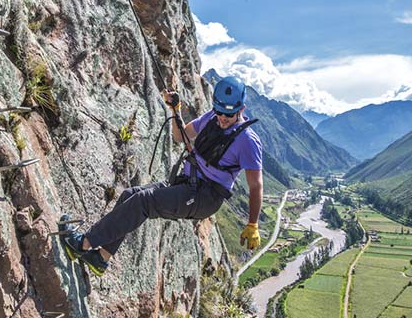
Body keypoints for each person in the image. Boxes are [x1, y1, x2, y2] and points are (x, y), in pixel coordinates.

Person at [60, 76, 264, 276]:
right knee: (129, 195)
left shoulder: (248, 141)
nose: (222, 118)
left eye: (228, 115)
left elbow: (256, 186)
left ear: (241, 109)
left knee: (143, 202)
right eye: (219, 111)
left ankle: (83, 244)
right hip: (187, 182)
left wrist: (252, 224)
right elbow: (180, 136)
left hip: (206, 197)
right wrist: (175, 110)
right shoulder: (211, 118)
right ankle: (101, 258)